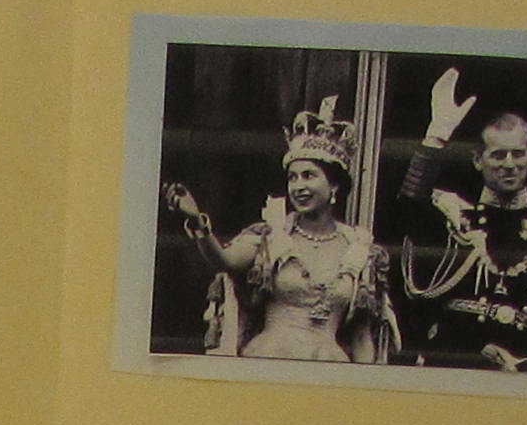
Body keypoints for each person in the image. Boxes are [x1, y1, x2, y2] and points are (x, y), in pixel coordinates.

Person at [162, 96, 396, 362]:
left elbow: (361, 337)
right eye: (292, 178)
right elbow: (224, 260)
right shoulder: (271, 236)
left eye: (309, 175)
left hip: (328, 368)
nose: (298, 186)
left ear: (334, 186)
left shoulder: (359, 250)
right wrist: (197, 221)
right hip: (269, 360)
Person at [390, 69, 527, 374]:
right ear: (478, 159)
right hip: (454, 364)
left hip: (526, 372)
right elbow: (407, 213)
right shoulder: (456, 219)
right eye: (498, 155)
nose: (509, 164)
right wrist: (436, 137)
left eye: (517, 154)